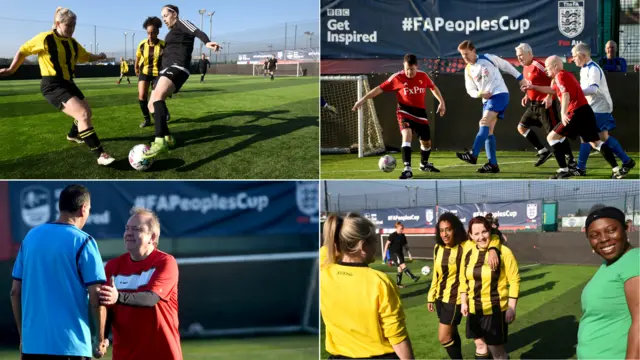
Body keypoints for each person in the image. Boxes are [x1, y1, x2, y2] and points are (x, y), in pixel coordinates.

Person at [0, 7, 115, 166]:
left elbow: (86, 56)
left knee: (87, 112)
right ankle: (100, 154)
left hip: (68, 83)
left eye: (74, 25)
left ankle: (73, 135)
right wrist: (12, 69)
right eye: (68, 25)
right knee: (82, 115)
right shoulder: (45, 38)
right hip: (52, 84)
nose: (72, 29)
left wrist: (100, 56)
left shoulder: (72, 43)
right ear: (58, 24)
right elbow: (23, 50)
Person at [10, 184, 108, 359]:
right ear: (83, 208)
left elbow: (15, 291)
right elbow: (96, 295)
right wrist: (100, 340)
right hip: (71, 346)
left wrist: (24, 336)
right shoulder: (84, 242)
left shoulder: (31, 237)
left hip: (32, 347)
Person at [321, 214, 415, 359]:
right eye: (374, 241)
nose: (376, 246)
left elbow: (325, 251)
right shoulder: (379, 282)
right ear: (363, 245)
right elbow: (397, 336)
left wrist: (342, 242)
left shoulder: (324, 273)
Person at [99, 208, 182, 360]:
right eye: (127, 229)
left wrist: (118, 297)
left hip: (161, 354)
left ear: (153, 236)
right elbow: (108, 308)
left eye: (136, 229)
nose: (129, 233)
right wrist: (102, 337)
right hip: (124, 355)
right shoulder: (113, 266)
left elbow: (151, 298)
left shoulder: (165, 262)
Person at [143, 4, 221, 159]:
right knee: (151, 104)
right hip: (166, 70)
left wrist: (206, 42)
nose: (164, 19)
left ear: (174, 14)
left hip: (178, 67)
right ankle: (168, 138)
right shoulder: (172, 32)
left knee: (158, 97)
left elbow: (197, 31)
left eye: (165, 15)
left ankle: (159, 142)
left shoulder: (182, 23)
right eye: (163, 16)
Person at [524, 56, 621, 179]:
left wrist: (564, 113)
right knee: (596, 143)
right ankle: (616, 169)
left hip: (576, 112)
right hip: (585, 111)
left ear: (555, 66)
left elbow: (565, 95)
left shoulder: (560, 76)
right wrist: (533, 87)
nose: (546, 70)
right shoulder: (564, 75)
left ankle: (564, 170)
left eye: (548, 67)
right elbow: (553, 90)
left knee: (552, 138)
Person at [353, 54, 447, 179]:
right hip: (404, 112)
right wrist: (362, 100)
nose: (409, 72)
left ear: (416, 67)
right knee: (406, 135)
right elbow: (379, 89)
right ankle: (407, 169)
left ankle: (424, 164)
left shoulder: (423, 76)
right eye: (407, 69)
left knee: (426, 143)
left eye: (412, 69)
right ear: (404, 66)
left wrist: (441, 102)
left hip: (420, 114)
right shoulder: (397, 78)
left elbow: (433, 88)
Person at [427, 212, 501, 360]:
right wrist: (431, 295)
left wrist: (493, 249)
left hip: (455, 298)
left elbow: (491, 237)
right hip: (440, 298)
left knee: (443, 337)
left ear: (455, 229)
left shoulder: (466, 245)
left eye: (448, 229)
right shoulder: (437, 248)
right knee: (451, 334)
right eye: (441, 230)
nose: (445, 234)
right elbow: (436, 274)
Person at [456, 40, 527, 173]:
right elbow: (470, 90)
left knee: (483, 122)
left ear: (473, 51)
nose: (464, 57)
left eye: (466, 54)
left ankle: (473, 154)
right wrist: (480, 93)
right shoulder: (468, 70)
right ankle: (493, 164)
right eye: (462, 55)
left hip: (499, 94)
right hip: (486, 100)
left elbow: (506, 66)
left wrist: (521, 78)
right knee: (488, 130)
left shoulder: (488, 58)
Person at [578, 207, 639, 359]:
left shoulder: (635, 260)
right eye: (594, 235)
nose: (604, 239)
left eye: (611, 230)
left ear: (626, 229)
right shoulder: (609, 264)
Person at [460, 216, 520, 360]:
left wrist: (511, 307)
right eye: (476, 233)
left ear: (490, 232)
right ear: (470, 235)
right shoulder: (468, 251)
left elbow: (514, 279)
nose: (481, 237)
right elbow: (463, 278)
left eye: (484, 232)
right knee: (480, 345)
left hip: (494, 309)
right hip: (475, 309)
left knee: (497, 352)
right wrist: (463, 301)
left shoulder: (504, 252)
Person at [571, 43, 635, 178]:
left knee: (588, 137)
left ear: (582, 55)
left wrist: (575, 92)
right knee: (602, 137)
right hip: (594, 106)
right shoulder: (584, 69)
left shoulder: (593, 69)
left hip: (600, 107)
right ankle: (627, 162)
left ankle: (581, 168)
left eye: (574, 56)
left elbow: (593, 90)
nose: (573, 59)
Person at [515, 43, 575, 168]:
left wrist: (549, 97)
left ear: (530, 54)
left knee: (555, 134)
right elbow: (532, 84)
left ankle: (570, 158)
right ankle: (543, 151)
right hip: (533, 105)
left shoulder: (538, 65)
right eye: (517, 55)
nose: (519, 58)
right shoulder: (525, 67)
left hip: (545, 105)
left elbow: (553, 78)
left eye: (521, 55)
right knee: (522, 127)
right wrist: (527, 95)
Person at [135, 16, 166, 128]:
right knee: (142, 95)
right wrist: (136, 68)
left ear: (157, 32)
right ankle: (147, 119)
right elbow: (138, 57)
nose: (150, 36)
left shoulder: (163, 45)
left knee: (157, 97)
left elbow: (167, 60)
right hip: (144, 72)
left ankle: (163, 113)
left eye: (152, 33)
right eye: (148, 33)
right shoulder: (142, 44)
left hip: (158, 74)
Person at [383, 222, 419, 288]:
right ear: (396, 228)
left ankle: (398, 284)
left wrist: (409, 254)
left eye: (403, 228)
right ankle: (413, 277)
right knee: (402, 265)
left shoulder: (403, 236)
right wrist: (384, 254)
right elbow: (386, 244)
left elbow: (406, 246)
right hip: (393, 253)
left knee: (400, 269)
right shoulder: (392, 235)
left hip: (400, 253)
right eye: (401, 228)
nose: (402, 230)